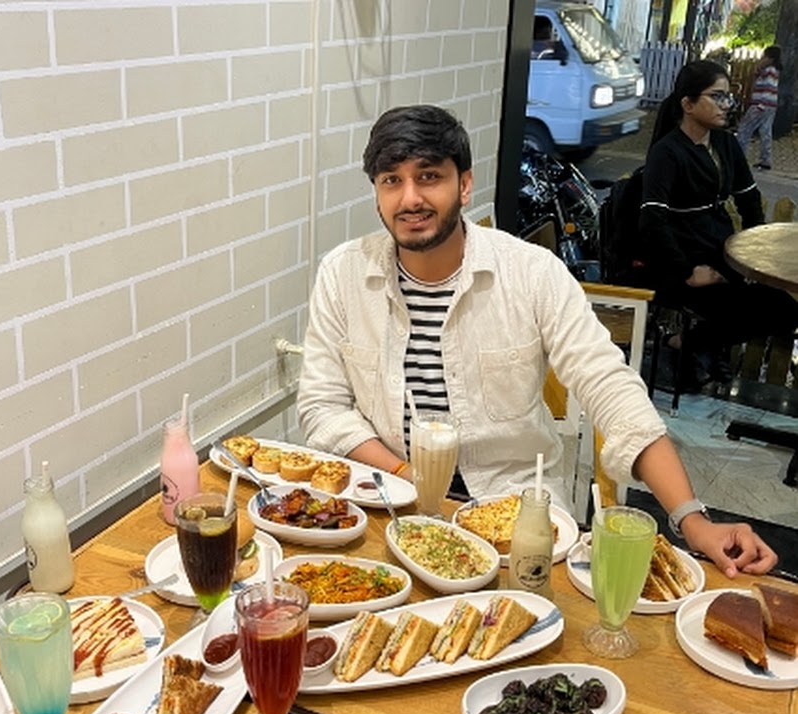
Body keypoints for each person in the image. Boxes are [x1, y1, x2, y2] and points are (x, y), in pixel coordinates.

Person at [297, 104, 778, 578]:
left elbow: (610, 387)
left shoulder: (531, 273)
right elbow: (322, 405)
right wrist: (407, 478)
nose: (410, 198)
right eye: (391, 180)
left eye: (428, 177)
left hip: (510, 511)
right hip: (388, 502)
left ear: (464, 185)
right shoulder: (344, 274)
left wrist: (692, 519)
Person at [639, 59, 798, 387]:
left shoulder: (725, 143)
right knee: (746, 309)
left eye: (728, 96)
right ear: (688, 104)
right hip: (681, 264)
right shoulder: (666, 153)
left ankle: (688, 343)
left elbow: (749, 200)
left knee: (786, 309)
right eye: (717, 96)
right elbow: (652, 221)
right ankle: (694, 348)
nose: (727, 105)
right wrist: (687, 272)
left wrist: (754, 259)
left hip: (721, 255)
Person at [737, 46, 781, 171]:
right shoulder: (776, 71)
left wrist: (761, 104)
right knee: (765, 131)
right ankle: (766, 159)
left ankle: (739, 158)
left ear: (770, 58)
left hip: (760, 104)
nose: (762, 58)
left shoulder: (768, 71)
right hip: (771, 105)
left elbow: (766, 86)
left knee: (744, 129)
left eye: (764, 56)